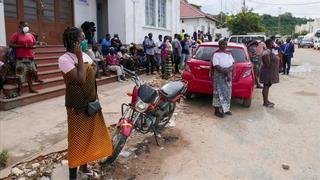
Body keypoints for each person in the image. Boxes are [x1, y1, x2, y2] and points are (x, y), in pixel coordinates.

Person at [58, 27, 112, 180]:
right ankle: (73, 175)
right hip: (77, 107)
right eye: (82, 40)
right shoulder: (65, 59)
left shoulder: (86, 55)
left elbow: (92, 73)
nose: (85, 42)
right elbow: (81, 79)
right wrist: (79, 56)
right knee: (76, 140)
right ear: (74, 42)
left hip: (91, 103)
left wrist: (89, 63)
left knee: (89, 138)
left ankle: (84, 167)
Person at [9, 21, 43, 94]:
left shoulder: (31, 35)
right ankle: (20, 90)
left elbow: (35, 45)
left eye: (27, 25)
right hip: (20, 59)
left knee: (31, 73)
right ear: (20, 26)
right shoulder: (16, 35)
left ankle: (31, 89)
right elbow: (11, 45)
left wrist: (31, 47)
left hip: (30, 58)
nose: (26, 27)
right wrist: (22, 46)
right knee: (20, 74)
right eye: (24, 25)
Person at [210, 39, 234, 118]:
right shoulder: (216, 54)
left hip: (227, 77)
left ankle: (226, 109)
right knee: (218, 94)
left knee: (227, 93)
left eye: (225, 44)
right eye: (222, 44)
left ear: (227, 45)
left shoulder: (229, 54)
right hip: (219, 77)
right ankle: (217, 111)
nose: (223, 46)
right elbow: (216, 66)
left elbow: (233, 64)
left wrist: (228, 71)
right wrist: (226, 71)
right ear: (219, 45)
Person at [260, 39, 279, 108]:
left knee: (267, 86)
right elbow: (266, 59)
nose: (274, 44)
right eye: (272, 43)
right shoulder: (267, 51)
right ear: (269, 44)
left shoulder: (269, 51)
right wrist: (270, 65)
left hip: (269, 73)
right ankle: (265, 102)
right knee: (266, 86)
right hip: (267, 73)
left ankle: (266, 100)